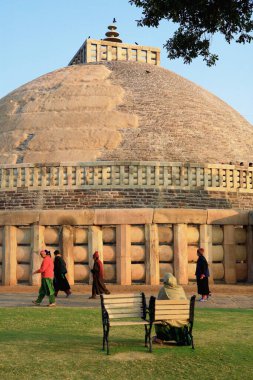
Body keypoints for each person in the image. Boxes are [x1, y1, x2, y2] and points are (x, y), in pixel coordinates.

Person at [154, 273, 192, 345]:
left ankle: (160, 338)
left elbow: (159, 304)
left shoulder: (163, 290)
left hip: (169, 321)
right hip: (183, 320)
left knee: (157, 316)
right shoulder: (180, 289)